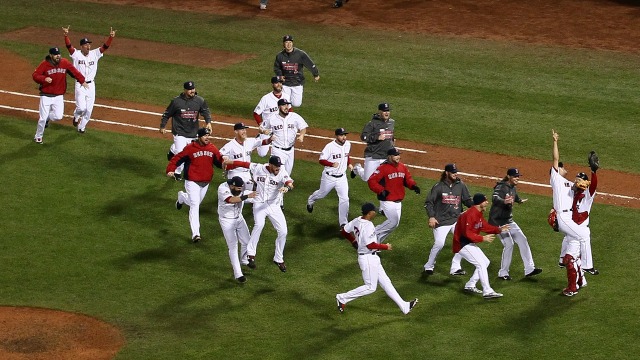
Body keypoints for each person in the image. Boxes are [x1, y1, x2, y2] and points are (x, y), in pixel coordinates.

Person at [336, 202, 418, 315]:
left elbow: (344, 231)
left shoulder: (357, 220)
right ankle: (342, 298)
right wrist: (385, 247)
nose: (375, 212)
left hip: (371, 258)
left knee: (386, 282)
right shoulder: (368, 226)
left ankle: (404, 306)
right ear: (370, 213)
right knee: (370, 287)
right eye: (374, 211)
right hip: (368, 259)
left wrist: (353, 241)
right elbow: (370, 245)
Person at [224, 155, 294, 272]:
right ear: (270, 165)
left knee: (283, 231)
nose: (278, 168)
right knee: (259, 224)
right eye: (276, 166)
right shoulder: (259, 168)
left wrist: (287, 188)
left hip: (274, 206)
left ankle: (278, 258)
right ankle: (251, 254)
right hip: (259, 203)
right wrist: (229, 161)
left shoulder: (282, 172)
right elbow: (244, 163)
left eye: (279, 166)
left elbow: (289, 182)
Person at [550, 129, 597, 296]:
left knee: (576, 243)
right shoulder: (556, 179)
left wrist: (589, 177)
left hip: (568, 219)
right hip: (564, 217)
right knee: (584, 235)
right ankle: (587, 265)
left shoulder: (570, 184)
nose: (564, 169)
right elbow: (555, 159)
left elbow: (583, 188)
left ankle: (577, 274)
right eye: (562, 168)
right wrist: (555, 141)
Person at [166, 128, 223, 243]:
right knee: (195, 205)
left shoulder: (212, 148)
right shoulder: (190, 148)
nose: (207, 137)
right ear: (199, 137)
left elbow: (219, 162)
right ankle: (195, 234)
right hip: (192, 181)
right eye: (205, 136)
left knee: (195, 202)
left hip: (205, 182)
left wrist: (225, 163)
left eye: (208, 135)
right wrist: (170, 169)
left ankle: (181, 197)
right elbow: (177, 158)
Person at [489, 168, 542, 280]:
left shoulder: (513, 187)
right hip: (497, 222)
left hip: (509, 221)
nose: (517, 178)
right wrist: (503, 201)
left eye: (518, 176)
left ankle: (529, 269)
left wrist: (519, 200)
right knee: (509, 244)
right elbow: (494, 197)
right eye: (515, 176)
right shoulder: (501, 186)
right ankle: (503, 273)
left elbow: (514, 195)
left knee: (523, 239)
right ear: (509, 177)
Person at [454, 193, 509, 299]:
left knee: (485, 262)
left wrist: (499, 229)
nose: (487, 202)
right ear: (480, 203)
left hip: (468, 243)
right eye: (485, 200)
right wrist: (482, 238)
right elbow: (467, 233)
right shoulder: (469, 215)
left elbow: (484, 226)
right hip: (462, 243)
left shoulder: (478, 213)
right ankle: (487, 291)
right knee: (481, 264)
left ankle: (470, 285)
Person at [422, 163, 474, 276]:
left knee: (463, 241)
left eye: (456, 172)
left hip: (456, 220)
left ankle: (455, 267)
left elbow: (467, 200)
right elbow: (428, 203)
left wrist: (476, 204)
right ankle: (429, 265)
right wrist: (431, 216)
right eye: (453, 172)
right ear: (447, 173)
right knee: (439, 244)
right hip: (441, 221)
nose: (456, 174)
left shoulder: (461, 185)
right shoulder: (438, 187)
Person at [63, 25, 116, 134]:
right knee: (81, 108)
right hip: (80, 84)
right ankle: (76, 116)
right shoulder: (76, 54)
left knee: (89, 110)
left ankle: (81, 127)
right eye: (86, 45)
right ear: (82, 46)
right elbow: (69, 46)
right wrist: (66, 35)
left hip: (91, 85)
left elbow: (104, 47)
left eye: (89, 44)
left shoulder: (95, 54)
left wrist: (111, 37)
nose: (88, 46)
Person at [31, 46, 87, 144]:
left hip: (58, 96)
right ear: (51, 55)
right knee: (42, 118)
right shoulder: (44, 64)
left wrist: (82, 80)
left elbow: (74, 72)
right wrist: (44, 79)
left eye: (59, 54)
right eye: (56, 54)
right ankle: (38, 136)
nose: (58, 56)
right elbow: (35, 75)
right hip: (46, 95)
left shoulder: (64, 62)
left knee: (58, 116)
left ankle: (49, 118)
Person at [160, 81, 213, 179]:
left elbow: (205, 111)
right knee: (181, 153)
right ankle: (177, 172)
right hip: (179, 132)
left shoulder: (199, 100)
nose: (192, 91)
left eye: (193, 88)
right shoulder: (176, 102)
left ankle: (172, 149)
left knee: (190, 153)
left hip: (193, 133)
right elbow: (167, 114)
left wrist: (208, 122)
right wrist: (163, 126)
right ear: (184, 90)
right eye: (189, 89)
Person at [367, 147, 420, 243]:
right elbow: (371, 181)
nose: (398, 157)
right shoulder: (382, 168)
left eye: (398, 155)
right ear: (390, 156)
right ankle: (369, 234)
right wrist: (381, 190)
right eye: (395, 155)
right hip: (387, 201)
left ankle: (377, 242)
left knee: (394, 225)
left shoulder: (402, 167)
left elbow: (407, 179)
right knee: (393, 222)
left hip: (398, 202)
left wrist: (413, 186)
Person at [306, 128, 354, 228]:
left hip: (342, 178)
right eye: (341, 135)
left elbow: (347, 155)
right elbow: (321, 160)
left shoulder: (348, 144)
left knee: (344, 198)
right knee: (321, 194)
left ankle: (343, 223)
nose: (344, 137)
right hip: (329, 177)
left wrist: (349, 164)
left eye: (345, 135)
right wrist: (331, 164)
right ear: (336, 136)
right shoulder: (329, 147)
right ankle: (311, 200)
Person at [217, 176, 256, 283]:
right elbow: (231, 200)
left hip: (239, 217)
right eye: (238, 189)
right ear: (232, 186)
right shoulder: (222, 188)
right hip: (226, 220)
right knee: (233, 246)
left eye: (241, 188)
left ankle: (244, 260)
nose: (240, 190)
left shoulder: (241, 186)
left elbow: (254, 186)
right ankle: (238, 274)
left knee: (247, 241)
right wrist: (246, 196)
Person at [259, 98, 307, 177]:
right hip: (278, 150)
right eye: (284, 105)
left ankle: (283, 187)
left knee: (287, 175)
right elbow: (261, 128)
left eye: (287, 105)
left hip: (290, 150)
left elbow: (303, 127)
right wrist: (264, 131)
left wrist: (301, 135)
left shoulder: (294, 116)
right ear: (278, 107)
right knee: (276, 174)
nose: (286, 107)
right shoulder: (272, 118)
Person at [219, 122, 273, 190]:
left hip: (247, 173)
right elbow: (220, 153)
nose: (244, 131)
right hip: (235, 173)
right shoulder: (230, 145)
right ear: (236, 131)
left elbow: (264, 142)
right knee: (237, 193)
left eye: (244, 129)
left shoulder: (250, 141)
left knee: (252, 192)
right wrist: (224, 157)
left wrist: (271, 139)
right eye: (242, 130)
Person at [351, 102, 395, 181]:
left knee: (388, 179)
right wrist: (376, 137)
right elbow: (363, 137)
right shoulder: (372, 124)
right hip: (373, 156)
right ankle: (357, 168)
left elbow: (390, 134)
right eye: (384, 111)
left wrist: (392, 142)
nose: (387, 112)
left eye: (388, 110)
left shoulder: (391, 122)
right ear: (380, 112)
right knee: (367, 178)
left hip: (385, 156)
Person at [273, 34, 320, 107]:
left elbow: (310, 64)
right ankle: (286, 114)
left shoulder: (300, 54)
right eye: (286, 42)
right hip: (285, 83)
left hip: (297, 82)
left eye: (290, 42)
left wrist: (315, 74)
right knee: (285, 103)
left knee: (297, 104)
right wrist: (280, 75)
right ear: (283, 44)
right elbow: (276, 67)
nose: (288, 44)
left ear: (292, 43)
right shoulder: (280, 56)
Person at [253, 76, 291, 157]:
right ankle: (259, 137)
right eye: (277, 83)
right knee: (262, 154)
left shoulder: (286, 96)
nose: (279, 85)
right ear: (272, 84)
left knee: (281, 149)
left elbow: (290, 110)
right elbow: (256, 113)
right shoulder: (266, 98)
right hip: (268, 128)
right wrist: (261, 126)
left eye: (280, 83)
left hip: (280, 127)